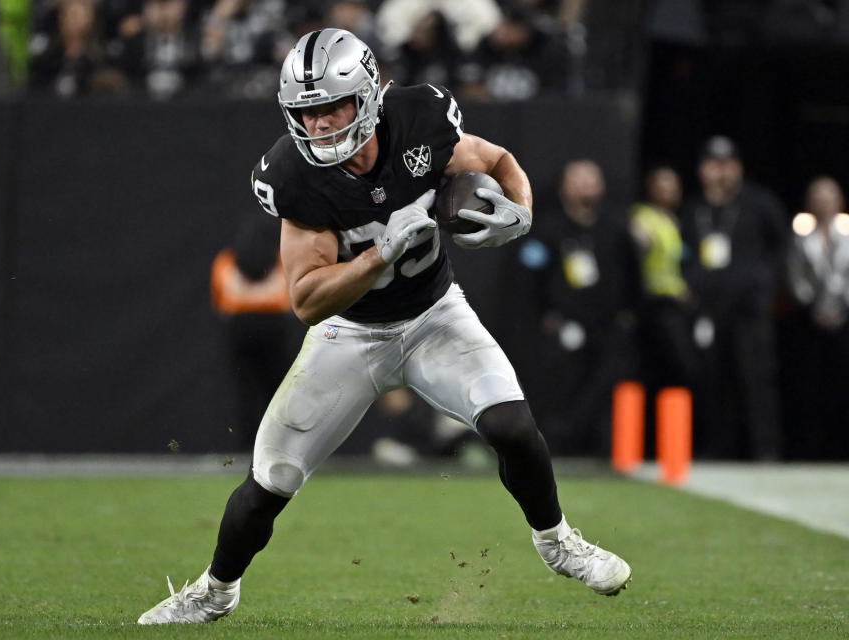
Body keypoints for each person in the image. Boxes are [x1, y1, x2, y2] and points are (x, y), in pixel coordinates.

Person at [137, 28, 630, 625]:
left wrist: (519, 210)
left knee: (513, 425)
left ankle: (556, 543)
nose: (318, 126)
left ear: (368, 96)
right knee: (269, 482)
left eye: (330, 108)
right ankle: (215, 592)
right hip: (349, 334)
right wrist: (378, 255)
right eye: (306, 112)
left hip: (434, 314)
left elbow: (497, 161)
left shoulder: (420, 118)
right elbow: (307, 299)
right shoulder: (293, 174)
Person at [506, 159, 637, 456]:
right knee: (562, 389)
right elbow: (529, 279)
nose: (585, 187)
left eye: (591, 180)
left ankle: (605, 453)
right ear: (565, 187)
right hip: (566, 328)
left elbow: (633, 275)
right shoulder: (549, 231)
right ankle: (560, 448)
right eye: (578, 180)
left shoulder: (617, 229)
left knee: (606, 389)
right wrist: (546, 316)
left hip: (608, 328)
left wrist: (628, 315)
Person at [680, 135, 787, 460]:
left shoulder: (759, 203)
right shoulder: (694, 209)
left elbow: (782, 248)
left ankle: (766, 452)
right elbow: (682, 254)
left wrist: (764, 284)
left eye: (726, 165)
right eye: (713, 165)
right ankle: (718, 451)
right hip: (708, 311)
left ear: (738, 168)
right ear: (702, 170)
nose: (720, 173)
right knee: (715, 383)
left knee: (756, 381)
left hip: (749, 309)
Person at [209, 216, 298, 450]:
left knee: (245, 391)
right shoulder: (280, 261)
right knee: (278, 390)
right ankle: (279, 446)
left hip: (239, 329)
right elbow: (292, 296)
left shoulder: (225, 261)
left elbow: (219, 302)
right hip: (274, 328)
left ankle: (248, 448)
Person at [782, 176, 849, 458]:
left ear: (839, 201)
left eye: (829, 196)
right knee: (810, 387)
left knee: (842, 385)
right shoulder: (801, 235)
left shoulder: (846, 235)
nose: (823, 202)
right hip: (810, 320)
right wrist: (812, 308)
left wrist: (843, 309)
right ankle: (809, 449)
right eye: (817, 197)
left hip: (844, 320)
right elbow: (794, 276)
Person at [629, 165, 699, 390]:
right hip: (656, 303)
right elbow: (636, 252)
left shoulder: (677, 220)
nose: (668, 191)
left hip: (679, 303)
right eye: (662, 185)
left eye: (673, 186)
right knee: (673, 366)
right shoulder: (643, 217)